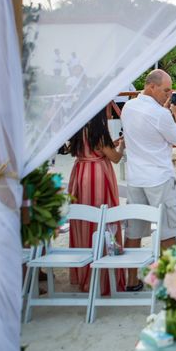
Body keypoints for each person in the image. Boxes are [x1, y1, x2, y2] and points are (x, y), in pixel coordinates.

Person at [121, 69, 176, 290]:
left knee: (133, 230)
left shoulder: (128, 107)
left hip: (135, 177)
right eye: (166, 90)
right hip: (159, 178)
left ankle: (131, 281)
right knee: (167, 231)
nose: (169, 95)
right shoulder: (161, 114)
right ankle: (173, 283)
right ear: (151, 86)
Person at [68, 109, 126, 295]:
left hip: (80, 174)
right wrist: (122, 146)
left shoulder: (77, 129)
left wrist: (110, 145)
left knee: (83, 222)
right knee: (102, 221)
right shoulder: (98, 132)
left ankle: (83, 273)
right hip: (98, 176)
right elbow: (115, 158)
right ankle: (103, 277)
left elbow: (88, 149)